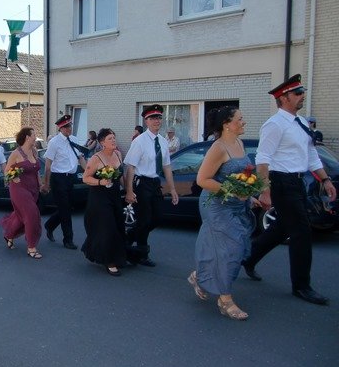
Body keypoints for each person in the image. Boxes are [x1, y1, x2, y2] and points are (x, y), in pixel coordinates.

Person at [242, 74, 336, 305]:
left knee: (280, 228)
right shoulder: (274, 124)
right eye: (297, 93)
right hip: (281, 182)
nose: (302, 96)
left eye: (302, 92)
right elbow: (263, 159)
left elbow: (311, 155)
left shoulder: (300, 123)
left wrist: (325, 180)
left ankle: (248, 258)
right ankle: (301, 286)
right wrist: (265, 191)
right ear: (283, 98)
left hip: (297, 182)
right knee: (302, 232)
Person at [188, 107, 255, 320]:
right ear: (227, 124)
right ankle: (225, 300)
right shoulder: (218, 148)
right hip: (217, 205)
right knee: (229, 250)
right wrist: (232, 191)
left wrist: (248, 194)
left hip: (236, 205)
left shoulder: (239, 143)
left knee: (238, 247)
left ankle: (200, 276)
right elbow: (202, 179)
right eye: (240, 119)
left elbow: (242, 176)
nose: (243, 122)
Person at [124, 104, 179, 266]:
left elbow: (166, 166)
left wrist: (173, 189)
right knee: (144, 219)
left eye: (159, 118)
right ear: (146, 121)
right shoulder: (139, 141)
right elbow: (130, 167)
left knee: (158, 217)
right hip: (142, 183)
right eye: (153, 118)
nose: (157, 121)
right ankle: (142, 253)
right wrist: (129, 191)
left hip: (155, 183)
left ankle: (130, 235)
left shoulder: (162, 141)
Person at [81, 128, 128, 276]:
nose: (113, 140)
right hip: (99, 198)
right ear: (102, 143)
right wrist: (100, 181)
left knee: (118, 225)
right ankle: (110, 261)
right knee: (108, 228)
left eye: (114, 137)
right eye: (110, 138)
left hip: (115, 196)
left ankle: (116, 255)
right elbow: (86, 178)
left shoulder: (118, 154)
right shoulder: (96, 158)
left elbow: (121, 176)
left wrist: (128, 190)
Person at [42, 115, 87, 249]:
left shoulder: (74, 140)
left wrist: (88, 172)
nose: (69, 128)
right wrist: (46, 183)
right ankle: (68, 239)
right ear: (60, 128)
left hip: (71, 178)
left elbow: (81, 158)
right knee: (65, 210)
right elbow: (48, 165)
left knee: (68, 207)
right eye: (66, 126)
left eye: (70, 126)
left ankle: (50, 225)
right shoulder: (54, 142)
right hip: (58, 178)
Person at [1, 127, 43, 258]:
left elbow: (36, 171)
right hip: (19, 189)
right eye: (34, 135)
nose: (35, 137)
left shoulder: (34, 151)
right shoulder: (16, 153)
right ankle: (31, 247)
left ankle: (9, 235)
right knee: (32, 215)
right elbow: (6, 171)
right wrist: (14, 177)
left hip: (33, 189)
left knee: (20, 217)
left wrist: (41, 184)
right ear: (27, 137)